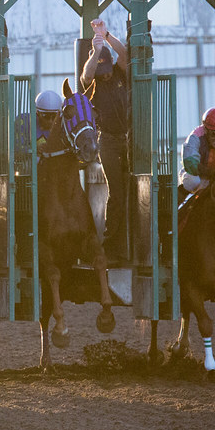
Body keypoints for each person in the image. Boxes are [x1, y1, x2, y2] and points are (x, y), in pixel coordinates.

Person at [81, 19, 130, 263]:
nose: (106, 74)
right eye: (102, 72)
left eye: (107, 69)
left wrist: (106, 34)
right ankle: (110, 246)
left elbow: (124, 53)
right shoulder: (94, 84)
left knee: (137, 189)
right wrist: (97, 48)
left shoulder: (120, 72)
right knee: (118, 193)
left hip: (129, 139)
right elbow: (87, 74)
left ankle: (129, 243)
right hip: (108, 140)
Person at [14, 89, 62, 164]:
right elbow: (15, 149)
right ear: (37, 113)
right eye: (46, 116)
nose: (50, 121)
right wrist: (34, 149)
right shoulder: (24, 121)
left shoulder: (62, 125)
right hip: (29, 169)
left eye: (54, 116)